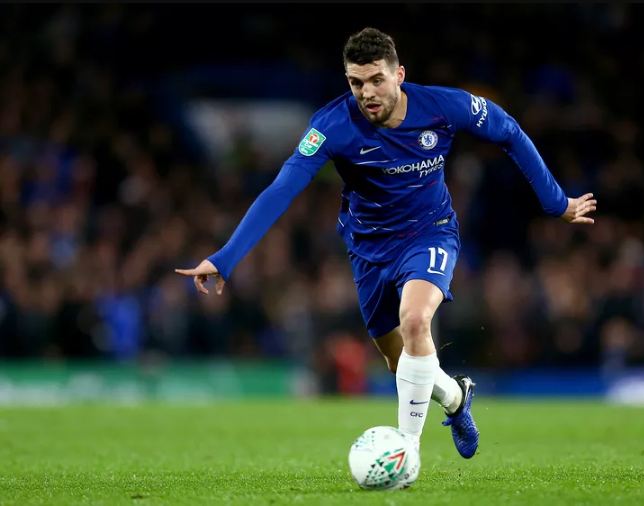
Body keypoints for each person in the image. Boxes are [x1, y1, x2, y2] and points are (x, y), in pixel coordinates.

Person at [175, 27, 597, 459]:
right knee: (401, 364)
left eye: (376, 79)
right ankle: (456, 397)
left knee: (415, 321)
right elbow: (283, 188)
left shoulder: (442, 106)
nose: (367, 92)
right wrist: (226, 257)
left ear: (399, 75)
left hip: (430, 231)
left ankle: (405, 452)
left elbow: (507, 130)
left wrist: (555, 202)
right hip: (368, 249)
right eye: (356, 82)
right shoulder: (332, 126)